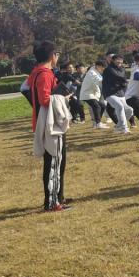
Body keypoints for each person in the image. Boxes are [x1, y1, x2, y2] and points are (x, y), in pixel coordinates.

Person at [27, 41, 71, 211]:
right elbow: (45, 99)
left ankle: (57, 196)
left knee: (56, 162)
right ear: (52, 56)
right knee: (54, 163)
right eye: (56, 54)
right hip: (50, 124)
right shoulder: (45, 74)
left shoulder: (37, 72)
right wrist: (63, 98)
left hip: (46, 122)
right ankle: (52, 202)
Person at [102, 55, 134, 134]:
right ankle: (124, 128)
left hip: (120, 93)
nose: (119, 61)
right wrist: (128, 81)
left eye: (121, 60)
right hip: (110, 93)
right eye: (117, 60)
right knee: (119, 106)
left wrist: (124, 85)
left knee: (129, 110)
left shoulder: (122, 69)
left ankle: (118, 126)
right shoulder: (108, 69)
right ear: (113, 60)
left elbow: (123, 79)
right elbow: (117, 77)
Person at [80, 59, 109, 128]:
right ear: (98, 66)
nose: (103, 69)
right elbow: (99, 81)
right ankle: (98, 123)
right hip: (87, 93)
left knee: (102, 106)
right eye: (103, 67)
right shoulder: (92, 72)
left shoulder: (96, 71)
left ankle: (97, 122)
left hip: (93, 93)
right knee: (96, 106)